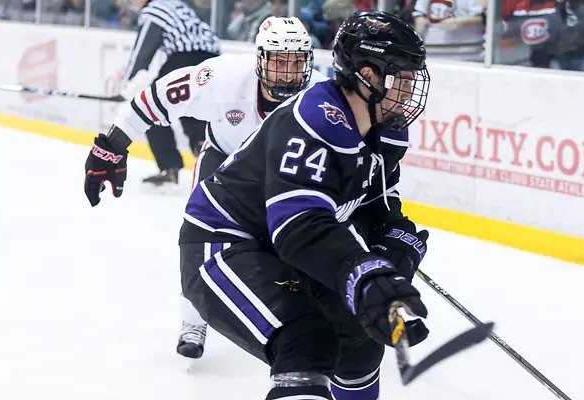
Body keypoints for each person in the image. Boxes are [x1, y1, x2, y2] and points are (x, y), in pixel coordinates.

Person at [176, 11, 431, 399]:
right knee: (306, 339)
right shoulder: (313, 118)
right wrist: (365, 275)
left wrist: (394, 244)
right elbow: (298, 227)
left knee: (360, 344)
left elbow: (374, 204)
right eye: (403, 78)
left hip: (281, 248)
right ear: (367, 75)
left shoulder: (385, 132)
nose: (409, 91)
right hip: (223, 243)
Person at [83, 16, 328, 359]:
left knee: (295, 245)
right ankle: (194, 320)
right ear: (260, 59)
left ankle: (310, 316)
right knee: (199, 245)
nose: (287, 74)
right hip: (224, 163)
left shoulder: (321, 96)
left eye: (295, 62)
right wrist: (111, 145)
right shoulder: (222, 77)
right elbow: (156, 99)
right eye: (278, 62)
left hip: (284, 174)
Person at [122, 0, 221, 186]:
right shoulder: (178, 5)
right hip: (213, 61)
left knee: (152, 106)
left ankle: (169, 167)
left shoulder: (155, 9)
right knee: (190, 108)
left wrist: (129, 86)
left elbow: (142, 53)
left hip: (187, 58)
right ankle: (206, 156)